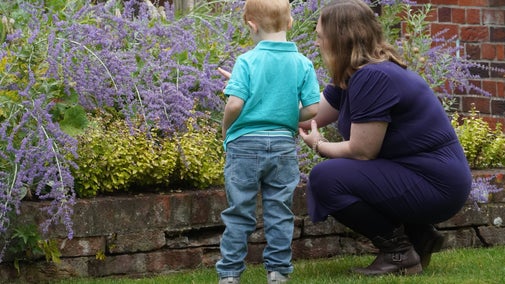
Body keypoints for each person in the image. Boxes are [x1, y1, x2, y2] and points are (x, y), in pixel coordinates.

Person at [297, 0, 472, 276]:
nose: (317, 43)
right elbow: (309, 116)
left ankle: (399, 252)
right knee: (337, 175)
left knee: (326, 178)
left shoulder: (372, 77)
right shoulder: (354, 74)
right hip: (419, 173)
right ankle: (419, 235)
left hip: (437, 183)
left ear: (339, 38)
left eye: (320, 37)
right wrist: (254, 98)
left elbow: (362, 151)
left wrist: (319, 145)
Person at [215, 0, 321, 282]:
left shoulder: (246, 61)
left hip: (245, 145)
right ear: (290, 23)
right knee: (279, 210)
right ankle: (277, 272)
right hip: (283, 147)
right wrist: (286, 114)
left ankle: (229, 274)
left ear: (252, 25)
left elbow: (236, 103)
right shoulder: (303, 63)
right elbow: (313, 109)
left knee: (239, 211)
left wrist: (227, 129)